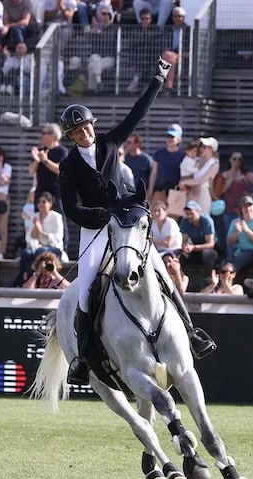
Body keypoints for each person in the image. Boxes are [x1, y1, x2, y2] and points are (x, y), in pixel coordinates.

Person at [57, 53, 214, 385]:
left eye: (86, 127)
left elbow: (136, 114)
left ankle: (192, 333)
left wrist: (158, 80)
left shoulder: (110, 142)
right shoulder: (68, 165)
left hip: (126, 225)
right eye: (77, 131)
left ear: (92, 126)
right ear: (71, 136)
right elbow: (70, 208)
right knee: (84, 292)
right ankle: (82, 358)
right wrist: (100, 215)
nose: (84, 133)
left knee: (163, 275)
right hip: (95, 229)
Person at [226, 195, 253, 273]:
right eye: (245, 206)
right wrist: (237, 232)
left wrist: (246, 230)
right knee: (231, 250)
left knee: (240, 259)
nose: (247, 209)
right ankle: (227, 267)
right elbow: (229, 241)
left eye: (250, 206)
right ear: (241, 209)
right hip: (238, 250)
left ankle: (230, 269)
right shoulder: (235, 221)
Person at [147, 123, 185, 204]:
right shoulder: (159, 153)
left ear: (179, 139)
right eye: (168, 136)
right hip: (159, 190)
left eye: (172, 136)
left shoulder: (183, 155)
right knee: (156, 211)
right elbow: (154, 172)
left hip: (176, 191)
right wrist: (150, 190)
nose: (169, 139)